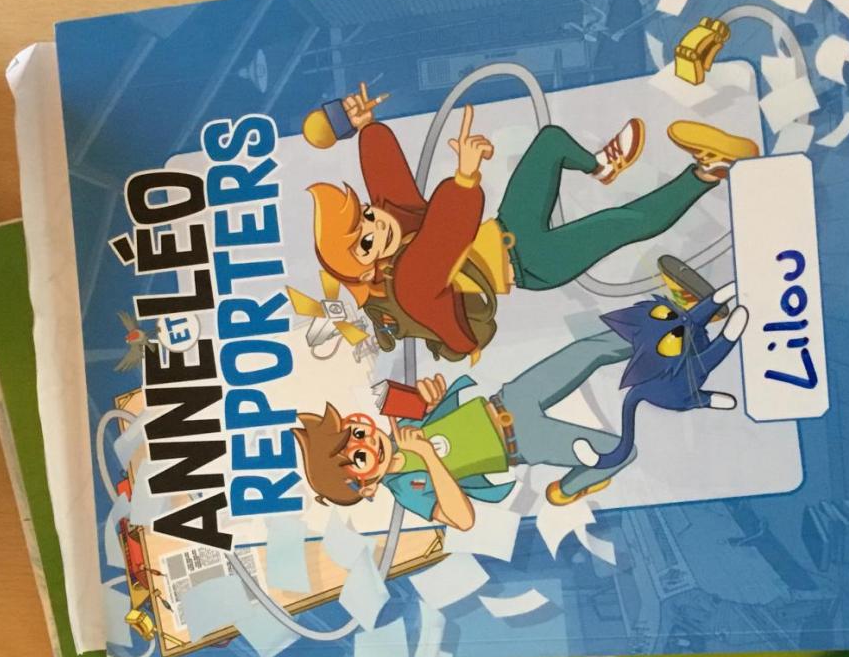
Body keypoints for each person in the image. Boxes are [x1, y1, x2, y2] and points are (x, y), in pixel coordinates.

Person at [305, 84, 757, 359]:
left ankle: (601, 167)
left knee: (550, 143)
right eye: (364, 243)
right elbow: (443, 239)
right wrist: (465, 178)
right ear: (368, 268)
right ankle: (708, 171)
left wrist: (363, 126)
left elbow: (387, 183)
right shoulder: (409, 284)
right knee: (622, 222)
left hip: (508, 228)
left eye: (366, 217)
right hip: (532, 264)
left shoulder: (393, 228)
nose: (375, 226)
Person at [292, 329, 644, 529]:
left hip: (509, 400)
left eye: (357, 432)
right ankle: (567, 489)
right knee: (620, 451)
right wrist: (428, 456)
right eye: (359, 457)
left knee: (585, 351)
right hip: (523, 442)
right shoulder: (407, 489)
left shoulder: (400, 426)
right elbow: (462, 520)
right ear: (367, 488)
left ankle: (653, 326)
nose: (367, 441)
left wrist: (431, 396)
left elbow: (435, 403)